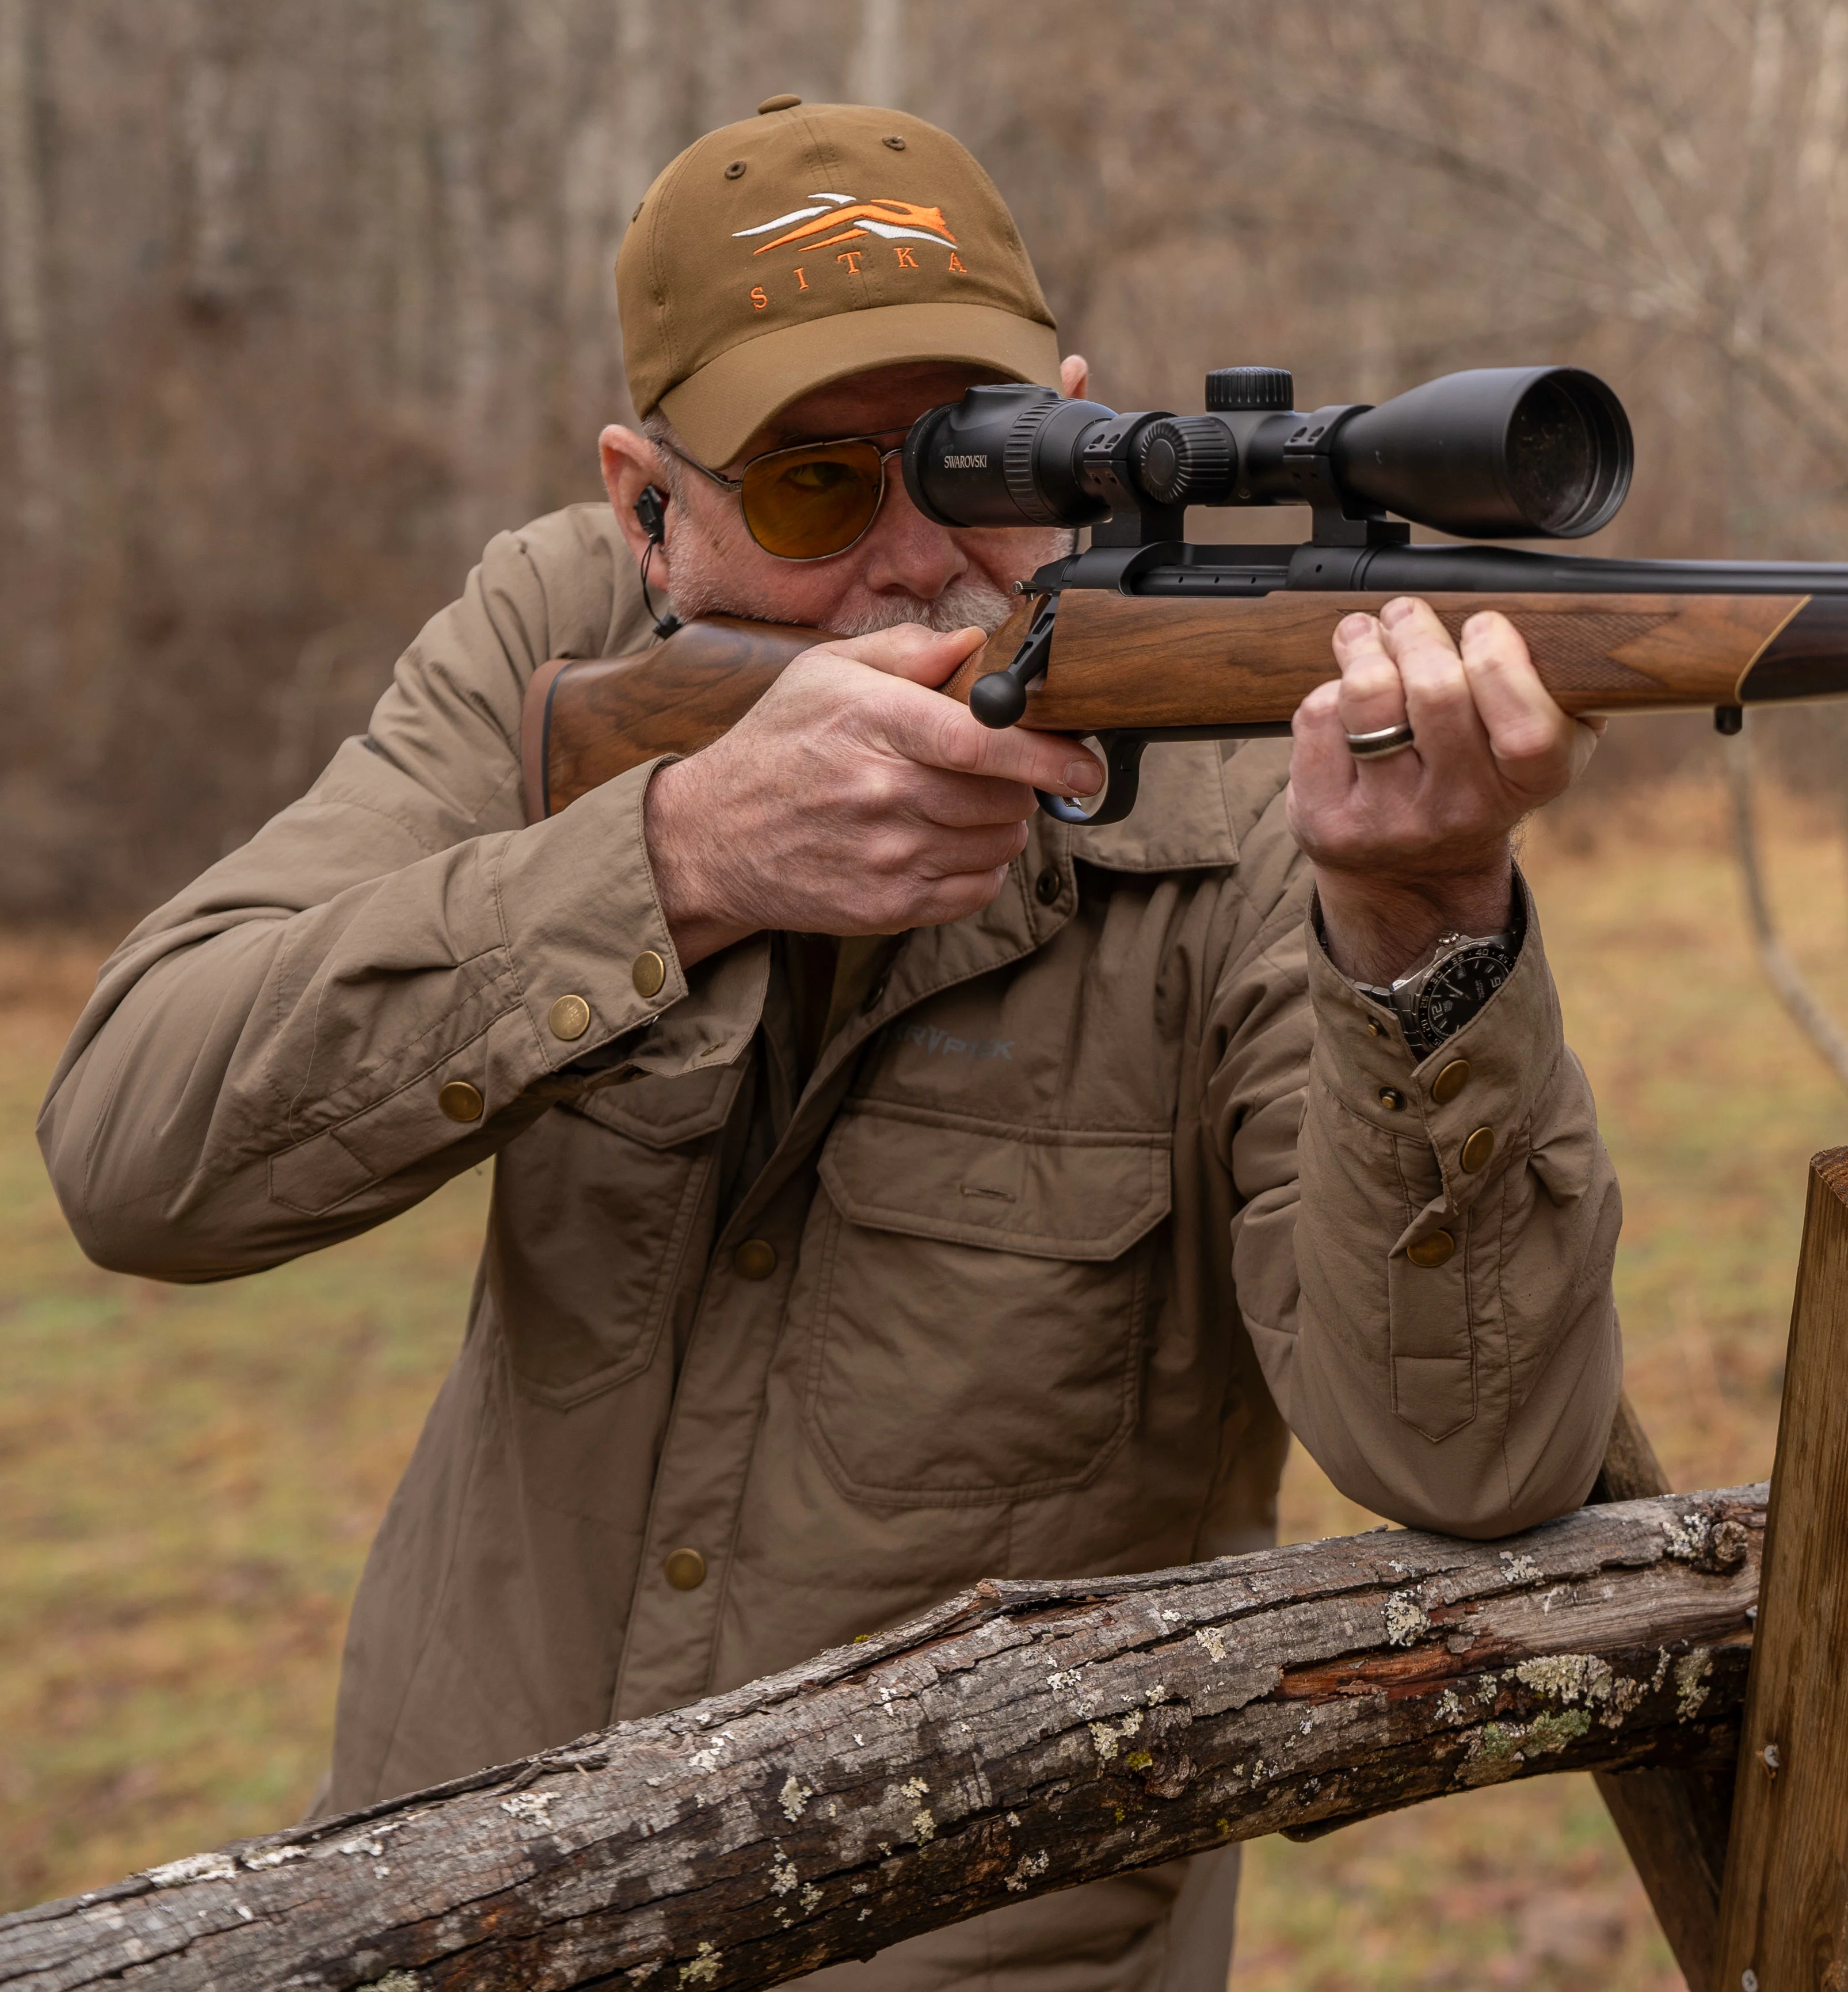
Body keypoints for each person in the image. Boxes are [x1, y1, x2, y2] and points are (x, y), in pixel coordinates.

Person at [37, 97, 1627, 1990]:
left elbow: (1471, 1458)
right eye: (812, 487)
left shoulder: (1263, 784)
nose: (917, 563)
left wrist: (1422, 926)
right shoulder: (562, 642)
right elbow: (136, 1146)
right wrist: (673, 864)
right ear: (647, 504)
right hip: (456, 1909)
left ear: (1092, 428)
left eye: (988, 460)